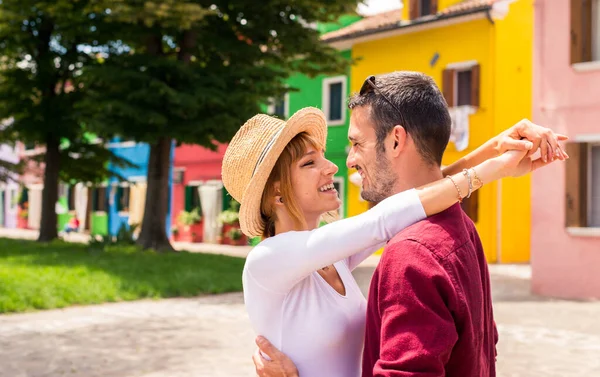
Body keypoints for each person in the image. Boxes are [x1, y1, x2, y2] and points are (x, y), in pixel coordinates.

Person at [223, 74, 566, 377]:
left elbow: (407, 203)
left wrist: (492, 149)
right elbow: (385, 218)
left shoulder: (332, 258)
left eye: (326, 155)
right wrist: (496, 169)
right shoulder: (267, 260)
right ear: (278, 191)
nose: (333, 167)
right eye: (310, 163)